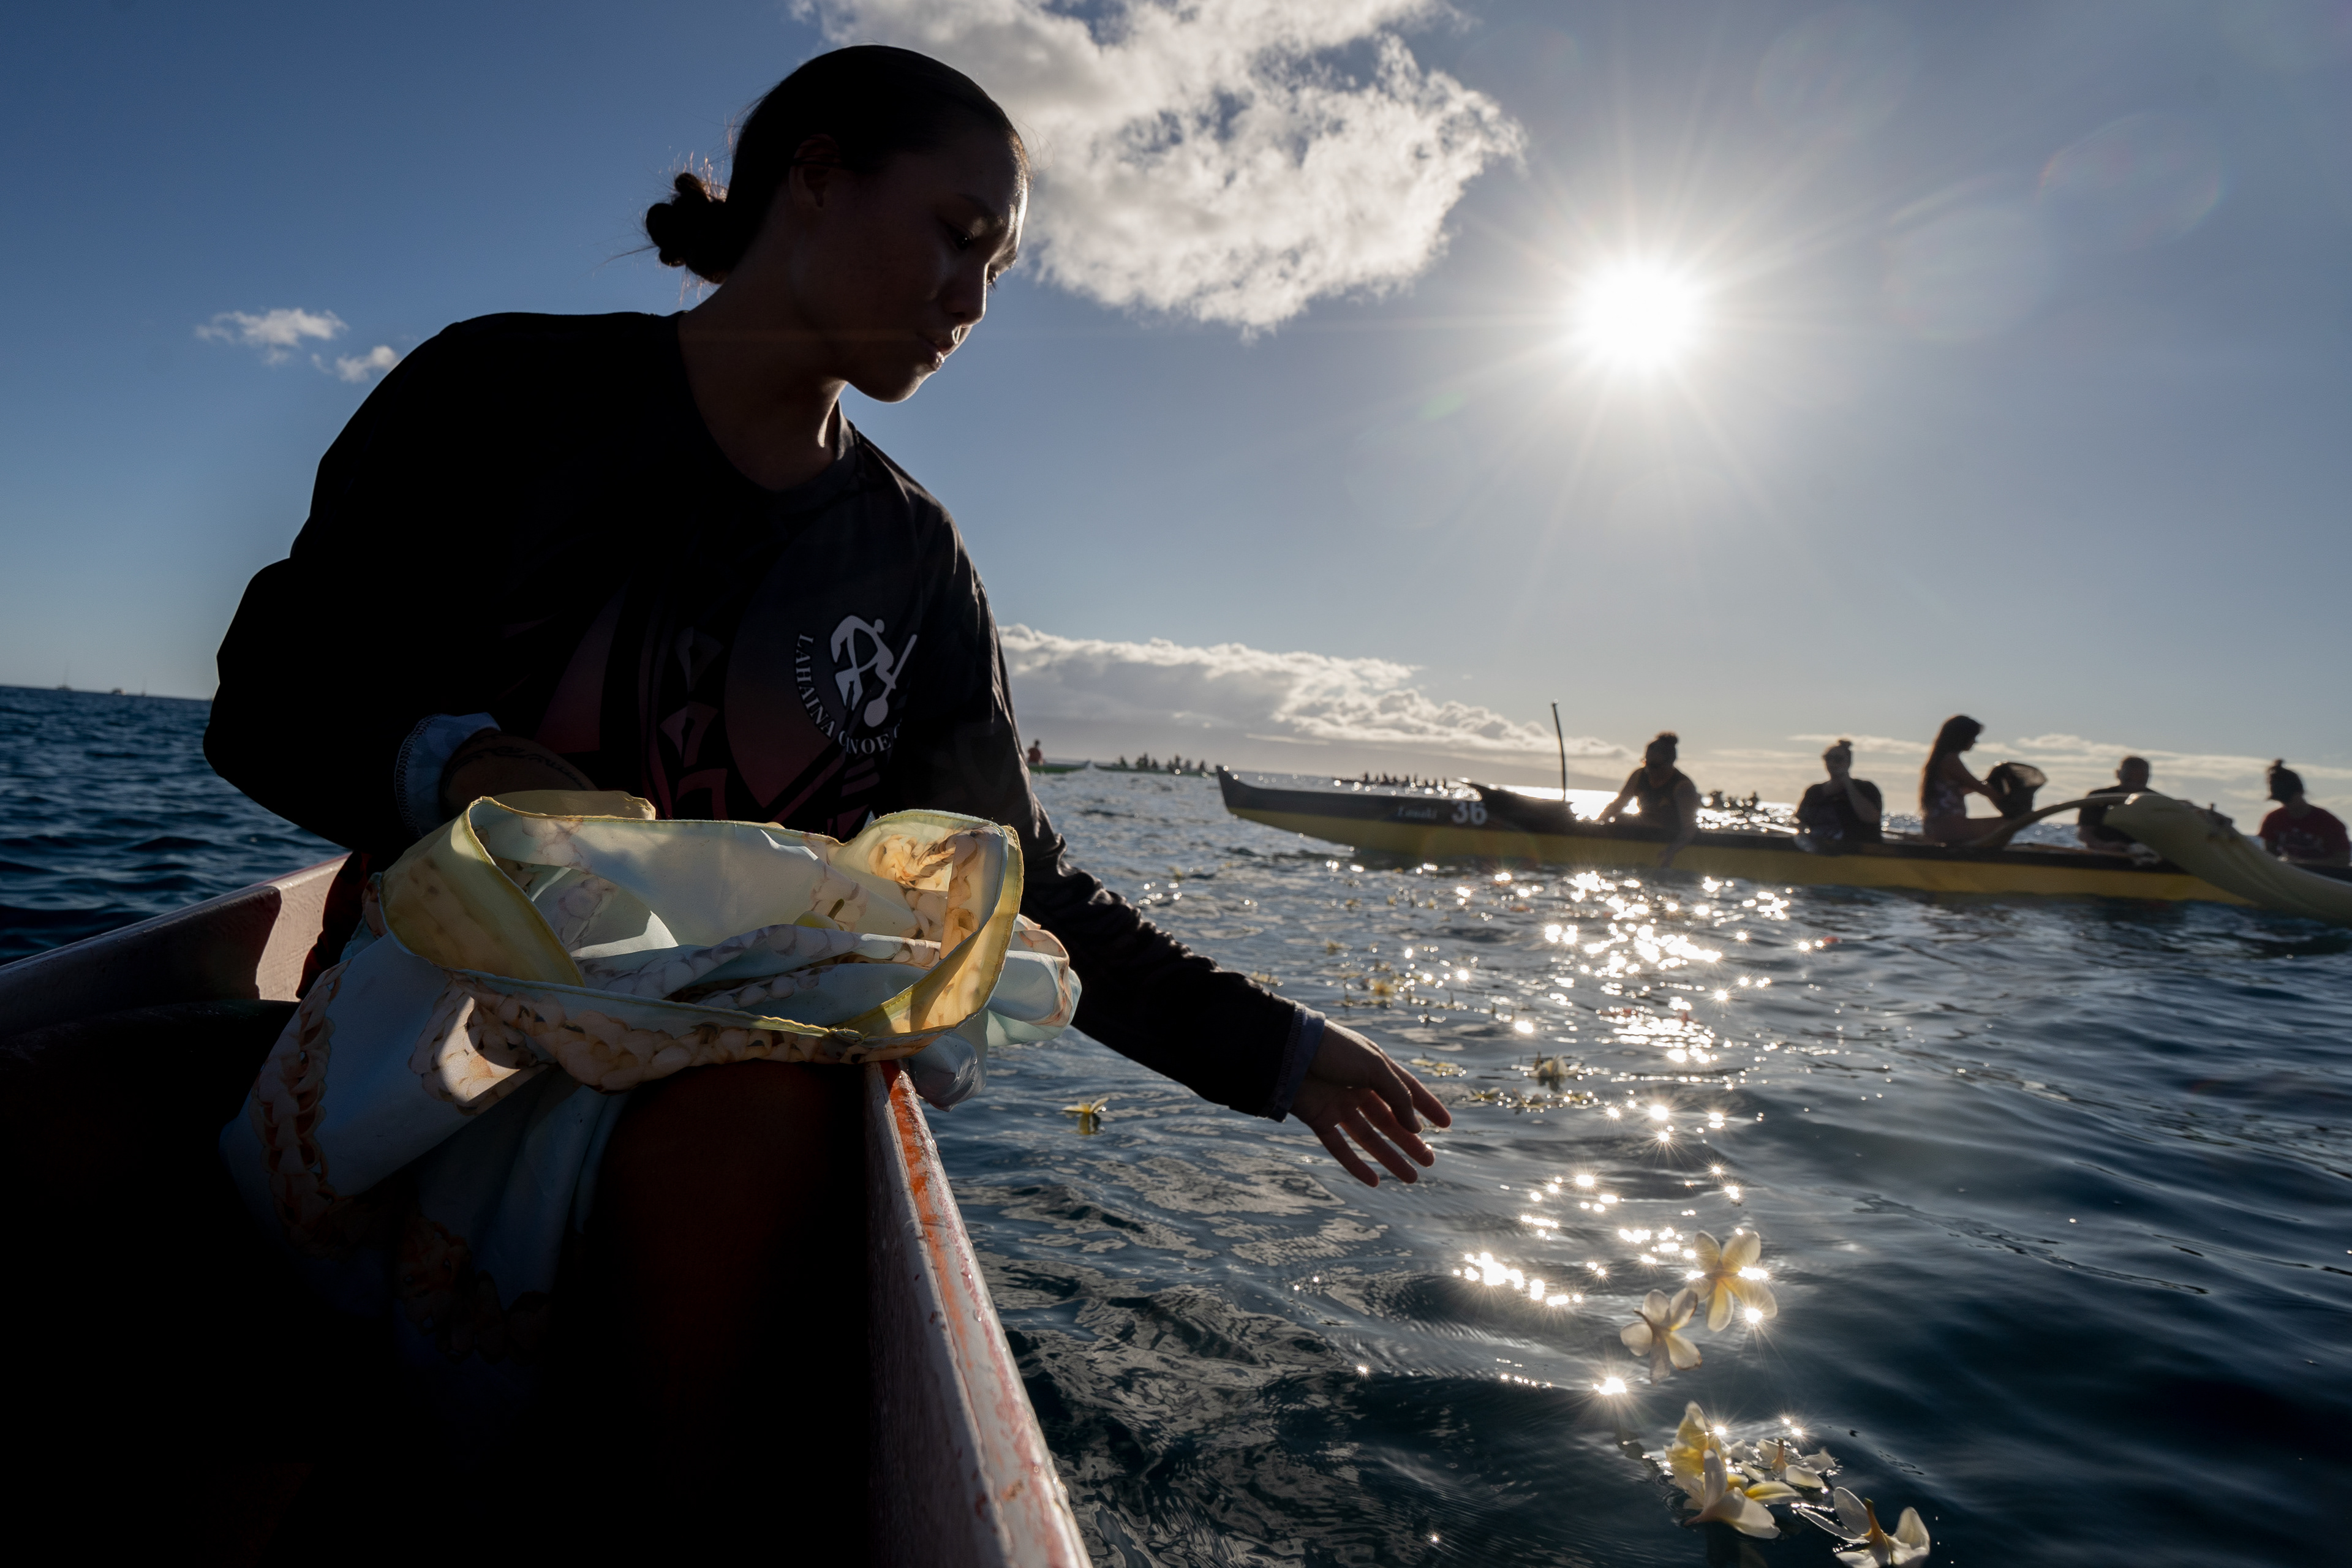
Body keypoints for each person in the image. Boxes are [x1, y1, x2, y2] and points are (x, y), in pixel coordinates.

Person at [203, 45, 1447, 1489]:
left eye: (1000, 270)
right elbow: (268, 694)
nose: (971, 302)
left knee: (761, 1113)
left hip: (719, 1131)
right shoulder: (502, 395)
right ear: (812, 175)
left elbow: (1010, 877)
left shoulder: (911, 565)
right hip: (404, 1058)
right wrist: (448, 758)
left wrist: (1280, 1053)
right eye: (956, 234)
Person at [1598, 731, 1700, 868]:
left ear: (1670, 763)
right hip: (1645, 827)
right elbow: (1618, 805)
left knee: (1625, 820)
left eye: (1654, 766)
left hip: (1668, 833)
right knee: (1621, 819)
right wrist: (1597, 825)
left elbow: (1690, 828)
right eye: (1646, 762)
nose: (1648, 769)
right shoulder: (1639, 775)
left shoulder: (1683, 787)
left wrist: (1672, 851)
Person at [1919, 714, 2004, 845]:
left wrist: (1987, 783)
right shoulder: (1950, 760)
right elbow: (1980, 788)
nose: (1975, 742)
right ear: (1962, 737)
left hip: (1938, 827)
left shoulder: (1942, 759)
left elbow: (1966, 789)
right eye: (1973, 737)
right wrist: (2006, 798)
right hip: (1948, 828)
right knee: (2009, 822)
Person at [1795, 739, 1883, 850]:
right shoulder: (1814, 792)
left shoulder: (1866, 788)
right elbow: (1800, 821)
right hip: (1821, 849)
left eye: (1838, 759)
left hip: (1859, 852)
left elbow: (1871, 818)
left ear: (1848, 762)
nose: (1832, 763)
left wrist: (1848, 784)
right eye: (1828, 758)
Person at [2258, 761, 2350, 867]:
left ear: (2301, 792)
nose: (2287, 805)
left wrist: (2302, 865)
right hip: (2289, 874)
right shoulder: (2273, 819)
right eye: (2282, 801)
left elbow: (2343, 861)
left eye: (2289, 799)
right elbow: (2269, 857)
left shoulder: (2329, 822)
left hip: (2323, 877)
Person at [2077, 755, 2152, 851]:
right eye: (2129, 779)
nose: (2134, 784)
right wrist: (2103, 846)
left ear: (2148, 777)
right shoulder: (2097, 797)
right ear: (2118, 774)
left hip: (2150, 857)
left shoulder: (2160, 801)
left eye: (2141, 779)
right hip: (2103, 856)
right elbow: (2085, 832)